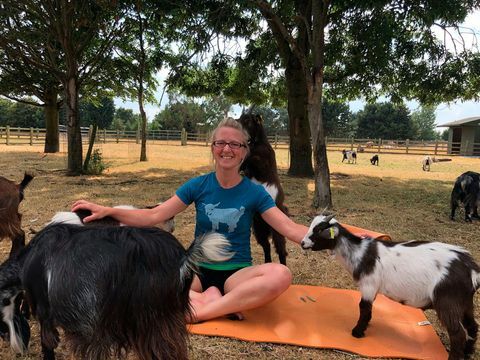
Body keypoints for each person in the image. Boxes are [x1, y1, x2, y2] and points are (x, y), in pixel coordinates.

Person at [72, 117, 309, 323]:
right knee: (141, 279)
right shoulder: (198, 185)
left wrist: (332, 234)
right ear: (213, 148)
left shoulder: (255, 192)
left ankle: (203, 310)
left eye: (235, 144)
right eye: (221, 143)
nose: (227, 149)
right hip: (195, 271)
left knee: (281, 275)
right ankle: (224, 304)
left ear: (244, 151)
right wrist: (108, 210)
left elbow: (288, 227)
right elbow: (154, 215)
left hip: (236, 276)